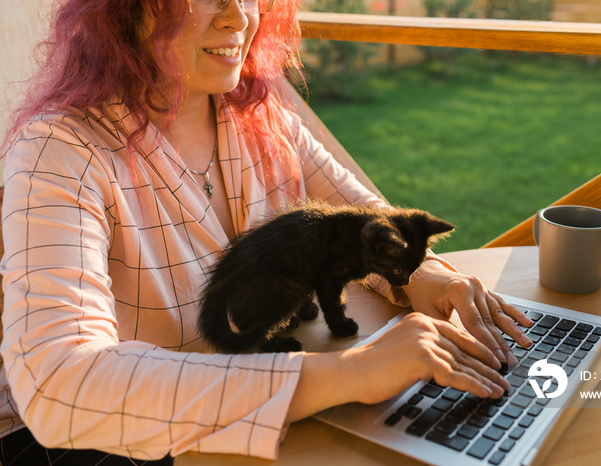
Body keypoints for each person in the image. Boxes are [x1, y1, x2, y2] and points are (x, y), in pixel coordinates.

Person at [0, 0, 533, 464]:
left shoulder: (259, 112)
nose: (239, 16)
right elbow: (59, 384)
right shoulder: (58, 153)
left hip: (242, 408)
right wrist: (353, 371)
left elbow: (364, 217)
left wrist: (423, 276)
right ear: (126, 8)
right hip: (93, 442)